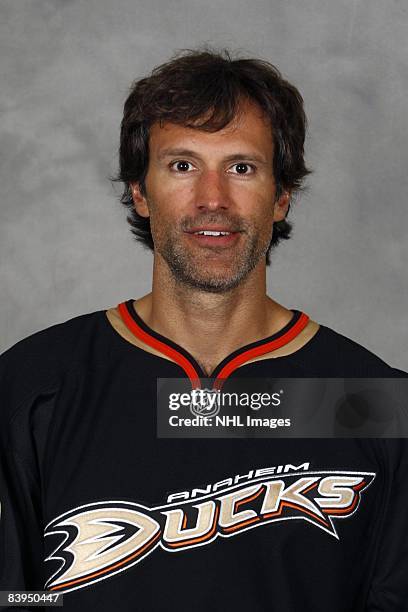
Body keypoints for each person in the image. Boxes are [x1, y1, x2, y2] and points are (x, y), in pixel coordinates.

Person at [0, 49, 407, 611]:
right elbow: (13, 597)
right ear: (140, 192)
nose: (212, 199)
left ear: (281, 196)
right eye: (182, 165)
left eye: (242, 167)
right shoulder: (35, 386)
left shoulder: (374, 401)